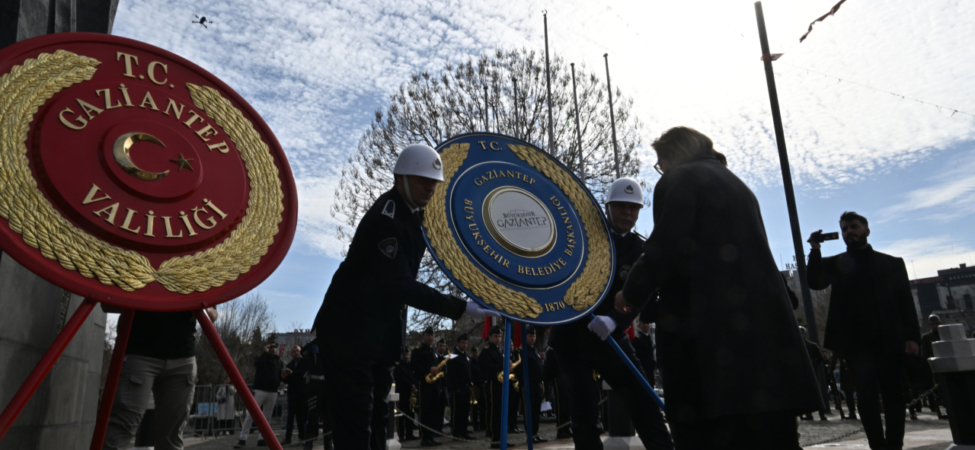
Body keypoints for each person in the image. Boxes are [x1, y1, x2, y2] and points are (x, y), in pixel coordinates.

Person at [616, 127, 822, 450]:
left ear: (671, 155)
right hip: (765, 348)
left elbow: (666, 246)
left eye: (660, 163)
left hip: (710, 345)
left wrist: (629, 294)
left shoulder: (680, 178)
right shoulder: (738, 185)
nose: (662, 170)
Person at [312, 144, 497, 449]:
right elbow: (400, 285)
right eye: (422, 179)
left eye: (434, 182)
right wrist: (462, 307)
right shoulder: (386, 220)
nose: (430, 187)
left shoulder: (410, 216)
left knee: (377, 425)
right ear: (400, 178)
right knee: (356, 428)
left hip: (374, 338)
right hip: (349, 335)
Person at [551, 176, 675, 450]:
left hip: (610, 335)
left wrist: (615, 318)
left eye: (633, 208)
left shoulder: (640, 250)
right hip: (571, 337)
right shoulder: (581, 236)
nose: (627, 213)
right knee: (584, 414)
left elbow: (641, 295)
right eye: (621, 206)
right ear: (607, 207)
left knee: (643, 400)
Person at [807, 211, 922, 450]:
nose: (849, 232)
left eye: (854, 227)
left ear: (867, 230)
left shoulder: (892, 263)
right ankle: (877, 446)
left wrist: (912, 337)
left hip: (889, 340)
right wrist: (815, 249)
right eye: (845, 229)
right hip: (856, 344)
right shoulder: (835, 263)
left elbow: (905, 301)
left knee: (894, 397)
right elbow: (815, 282)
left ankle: (894, 446)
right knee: (866, 398)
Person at [102, 307, 218, 450]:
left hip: (182, 357)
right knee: (122, 427)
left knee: (172, 437)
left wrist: (202, 307)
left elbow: (212, 314)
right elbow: (107, 303)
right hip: (139, 352)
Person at [236, 342, 284, 448]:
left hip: (273, 391)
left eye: (274, 347)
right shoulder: (261, 358)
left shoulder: (279, 361)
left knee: (267, 415)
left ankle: (262, 438)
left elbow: (280, 374)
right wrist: (264, 353)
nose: (273, 349)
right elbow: (257, 364)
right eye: (270, 347)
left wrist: (280, 380)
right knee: (251, 414)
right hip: (260, 390)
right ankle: (242, 438)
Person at [478, 326, 514, 449]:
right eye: (495, 336)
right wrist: (503, 365)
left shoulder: (499, 350)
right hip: (493, 383)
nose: (498, 338)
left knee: (502, 412)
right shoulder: (486, 351)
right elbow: (486, 367)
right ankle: (495, 439)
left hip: (501, 383)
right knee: (495, 412)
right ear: (490, 337)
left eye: (499, 336)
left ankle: (502, 438)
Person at [411, 328, 445, 446]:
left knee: (434, 411)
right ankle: (424, 438)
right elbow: (413, 366)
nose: (430, 337)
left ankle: (431, 436)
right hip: (424, 384)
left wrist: (439, 385)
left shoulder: (434, 351)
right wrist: (428, 369)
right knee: (425, 411)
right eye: (428, 335)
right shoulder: (418, 351)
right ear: (423, 337)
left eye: (432, 335)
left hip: (434, 385)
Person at [514, 326, 545, 443]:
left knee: (536, 411)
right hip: (527, 385)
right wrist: (523, 382)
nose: (533, 338)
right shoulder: (521, 351)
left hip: (537, 385)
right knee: (529, 411)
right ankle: (530, 435)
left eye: (534, 336)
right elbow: (518, 369)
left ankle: (535, 433)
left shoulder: (534, 350)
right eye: (530, 336)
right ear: (525, 337)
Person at [299, 339, 332, 450]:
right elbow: (303, 352)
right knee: (312, 414)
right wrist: (318, 339)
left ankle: (328, 442)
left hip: (328, 383)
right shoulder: (313, 347)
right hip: (314, 383)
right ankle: (309, 442)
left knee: (329, 415)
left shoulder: (331, 345)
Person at [446, 334, 474, 440]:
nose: (465, 345)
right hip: (458, 387)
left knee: (465, 411)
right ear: (457, 343)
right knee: (457, 411)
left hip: (466, 386)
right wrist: (455, 387)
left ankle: (463, 431)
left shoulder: (466, 356)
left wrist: (470, 384)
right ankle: (456, 432)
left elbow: (469, 371)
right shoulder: (453, 356)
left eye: (466, 343)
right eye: (463, 343)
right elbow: (451, 373)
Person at [542, 346, 573, 440]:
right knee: (561, 405)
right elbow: (549, 367)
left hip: (566, 378)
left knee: (567, 405)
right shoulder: (552, 351)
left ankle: (567, 428)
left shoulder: (565, 349)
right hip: (558, 379)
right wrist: (548, 380)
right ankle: (560, 429)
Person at [799, 326, 829, 421]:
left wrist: (813, 363)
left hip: (812, 371)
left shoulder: (812, 345)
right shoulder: (796, 345)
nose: (801, 335)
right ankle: (808, 414)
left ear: (805, 334)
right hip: (802, 372)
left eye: (802, 333)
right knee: (806, 394)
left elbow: (820, 358)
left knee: (817, 393)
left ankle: (821, 414)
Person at [920, 314, 947, 419]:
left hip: (947, 363)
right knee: (937, 388)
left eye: (937, 324)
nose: (935, 326)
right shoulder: (926, 337)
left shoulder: (945, 335)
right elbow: (925, 354)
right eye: (932, 324)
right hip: (935, 365)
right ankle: (937, 407)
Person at [281, 346, 307, 445]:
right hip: (292, 393)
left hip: (303, 392)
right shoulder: (290, 364)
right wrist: (284, 378)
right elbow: (289, 380)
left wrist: (293, 373)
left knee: (302, 416)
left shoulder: (305, 362)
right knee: (290, 416)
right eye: (294, 351)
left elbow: (304, 373)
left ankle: (303, 436)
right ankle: (288, 437)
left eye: (297, 351)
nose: (296, 353)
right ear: (291, 353)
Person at [393, 349, 418, 440]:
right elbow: (400, 378)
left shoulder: (409, 366)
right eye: (404, 354)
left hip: (411, 393)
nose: (406, 356)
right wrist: (410, 385)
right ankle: (401, 435)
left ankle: (409, 434)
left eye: (407, 354)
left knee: (410, 413)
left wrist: (414, 385)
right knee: (401, 415)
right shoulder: (397, 366)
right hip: (402, 392)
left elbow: (414, 376)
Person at [631, 319, 657, 387]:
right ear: (639, 326)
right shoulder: (637, 339)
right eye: (644, 324)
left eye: (647, 323)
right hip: (643, 368)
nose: (646, 325)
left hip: (650, 368)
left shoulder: (648, 337)